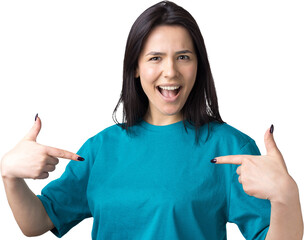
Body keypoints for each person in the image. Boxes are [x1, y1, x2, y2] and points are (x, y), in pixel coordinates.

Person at [1, 1, 303, 239]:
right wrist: (9, 176)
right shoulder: (100, 149)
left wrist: (286, 196)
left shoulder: (229, 148)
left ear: (199, 66)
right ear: (135, 67)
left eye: (183, 57)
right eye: (155, 57)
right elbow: (37, 222)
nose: (170, 71)